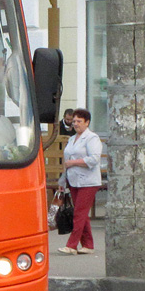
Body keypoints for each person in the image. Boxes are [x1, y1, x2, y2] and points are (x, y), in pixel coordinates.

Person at [57, 107, 102, 254]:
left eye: (79, 121)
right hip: (73, 180)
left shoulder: (92, 138)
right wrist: (62, 181)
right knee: (81, 213)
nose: (76, 124)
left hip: (88, 181)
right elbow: (67, 161)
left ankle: (71, 245)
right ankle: (88, 245)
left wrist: (75, 162)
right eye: (74, 121)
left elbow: (94, 159)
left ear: (87, 122)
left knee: (79, 213)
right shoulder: (71, 138)